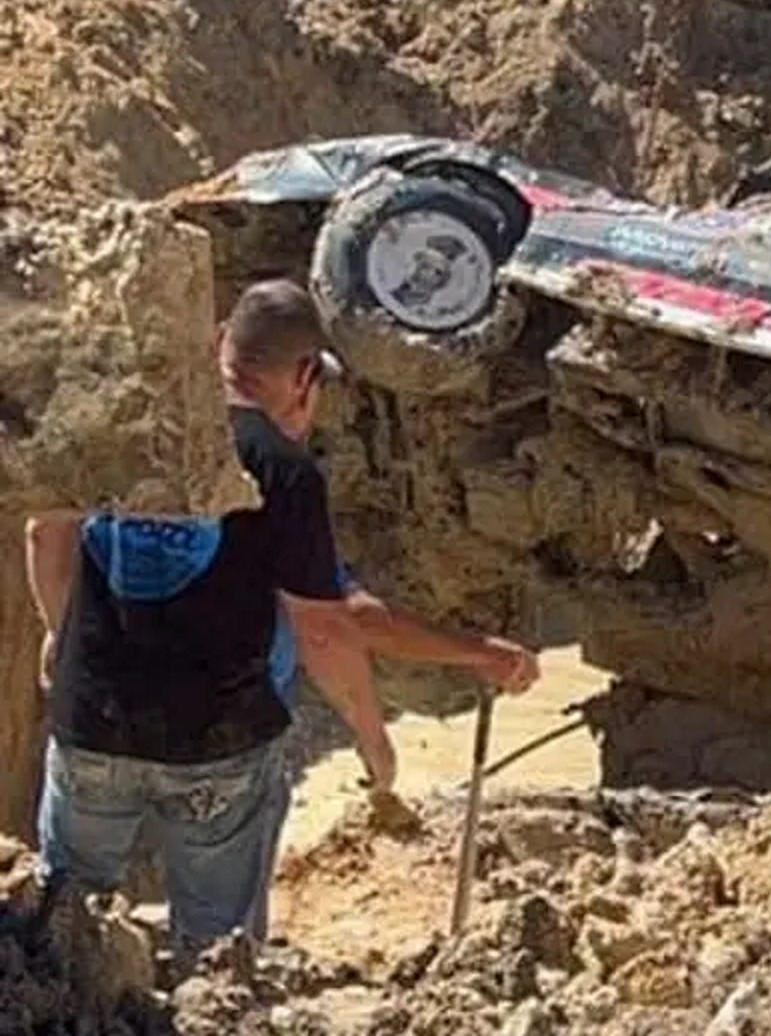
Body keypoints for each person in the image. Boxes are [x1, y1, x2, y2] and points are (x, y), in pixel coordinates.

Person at [24, 278, 535, 954]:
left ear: (218, 346)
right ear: (303, 375)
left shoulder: (118, 423)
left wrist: (66, 637)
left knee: (62, 934)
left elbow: (45, 533)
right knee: (214, 952)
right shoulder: (282, 468)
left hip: (90, 725)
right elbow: (329, 625)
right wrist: (374, 738)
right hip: (218, 747)